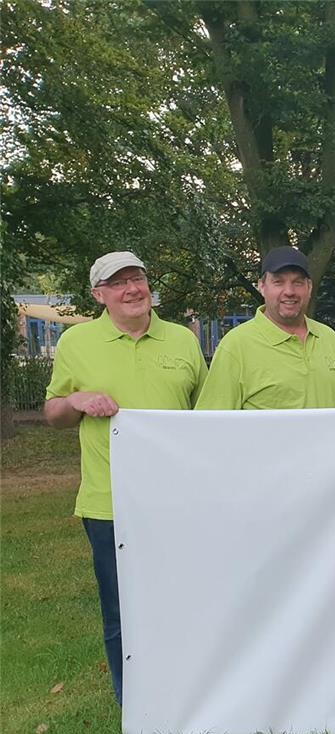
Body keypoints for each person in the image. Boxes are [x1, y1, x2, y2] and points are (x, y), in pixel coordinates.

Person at [43, 251, 207, 704]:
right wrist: (75, 400)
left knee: (185, 600)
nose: (132, 289)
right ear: (99, 295)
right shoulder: (77, 342)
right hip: (108, 503)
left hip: (179, 501)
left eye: (138, 279)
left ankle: (187, 691)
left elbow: (205, 417)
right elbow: (53, 413)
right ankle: (133, 701)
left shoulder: (182, 341)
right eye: (118, 283)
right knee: (121, 607)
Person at [196, 247, 335, 410]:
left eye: (298, 282)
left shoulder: (328, 337)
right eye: (278, 282)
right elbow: (212, 421)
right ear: (261, 286)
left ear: (309, 287)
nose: (289, 291)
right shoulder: (236, 345)